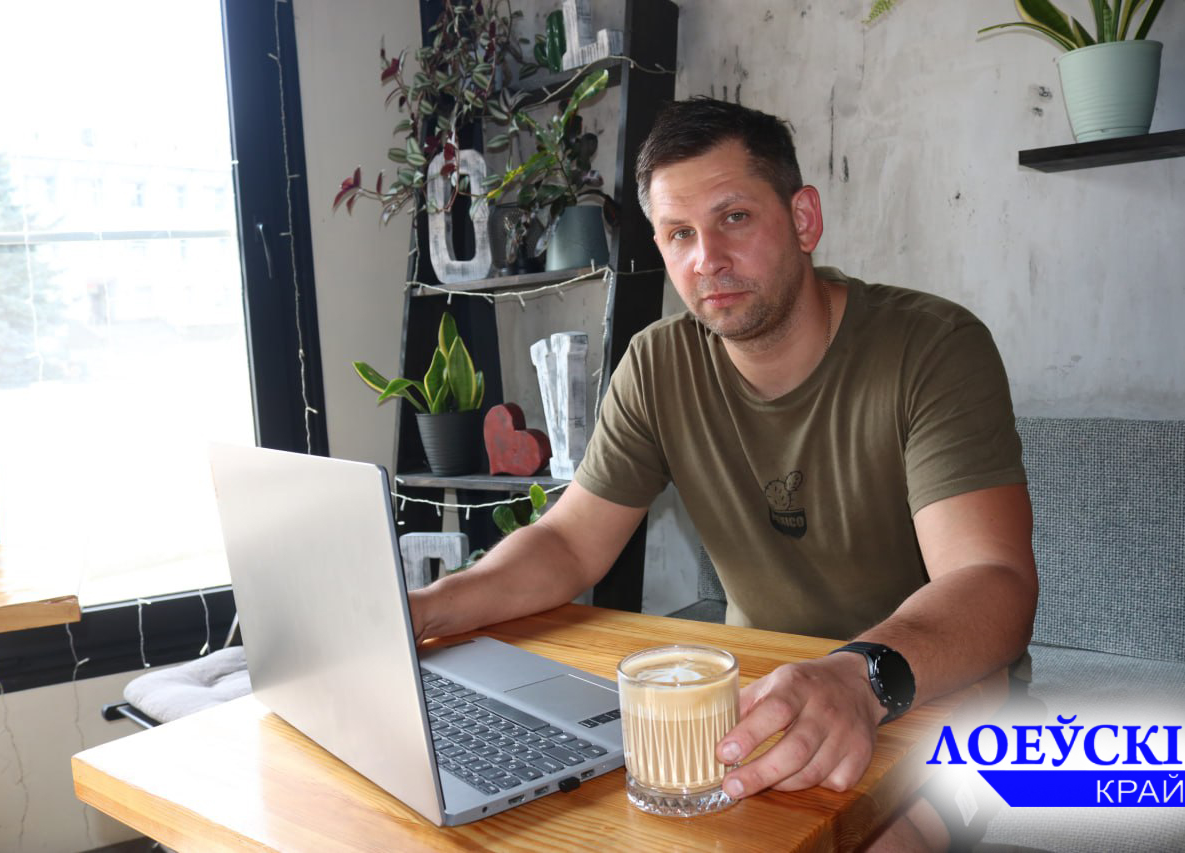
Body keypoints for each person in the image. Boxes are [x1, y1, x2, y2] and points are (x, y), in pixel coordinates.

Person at [410, 97, 1037, 851]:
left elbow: (991, 580)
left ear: (803, 219)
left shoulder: (932, 347)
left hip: (942, 696)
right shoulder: (658, 364)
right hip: (752, 696)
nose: (706, 258)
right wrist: (429, 609)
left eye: (734, 217)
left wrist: (854, 676)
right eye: (680, 233)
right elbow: (570, 543)